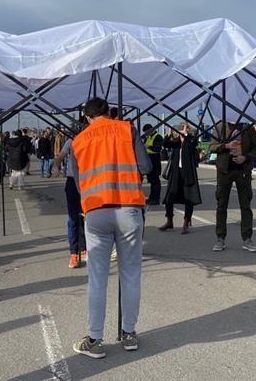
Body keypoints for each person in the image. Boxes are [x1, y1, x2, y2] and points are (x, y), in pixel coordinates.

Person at [70, 98, 151, 359]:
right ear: (109, 113)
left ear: (87, 118)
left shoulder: (79, 140)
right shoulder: (128, 129)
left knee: (97, 278)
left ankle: (94, 339)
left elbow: (78, 182)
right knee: (130, 273)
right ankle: (128, 333)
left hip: (96, 211)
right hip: (128, 208)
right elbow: (146, 167)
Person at [209, 120, 256, 252]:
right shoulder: (220, 126)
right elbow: (212, 146)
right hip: (224, 171)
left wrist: (246, 157)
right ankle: (220, 238)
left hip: (243, 171)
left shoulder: (248, 127)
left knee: (245, 206)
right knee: (221, 205)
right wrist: (225, 146)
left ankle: (247, 239)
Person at [52, 126, 87, 269]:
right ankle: (74, 253)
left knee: (88, 217)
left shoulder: (92, 139)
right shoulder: (71, 141)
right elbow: (60, 156)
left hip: (89, 181)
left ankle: (85, 249)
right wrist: (56, 166)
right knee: (73, 218)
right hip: (73, 182)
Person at [158, 123, 202, 234]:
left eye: (183, 128)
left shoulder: (191, 139)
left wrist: (185, 135)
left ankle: (186, 222)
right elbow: (165, 144)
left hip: (188, 172)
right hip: (176, 172)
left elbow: (192, 144)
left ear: (188, 130)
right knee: (169, 197)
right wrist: (169, 134)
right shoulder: (176, 141)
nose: (180, 131)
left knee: (189, 198)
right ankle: (169, 220)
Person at [142, 124, 163, 205]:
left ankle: (156, 199)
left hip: (155, 160)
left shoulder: (158, 137)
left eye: (146, 132)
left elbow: (157, 148)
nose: (146, 134)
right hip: (149, 160)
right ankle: (151, 198)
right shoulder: (148, 138)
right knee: (151, 180)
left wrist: (148, 146)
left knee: (155, 181)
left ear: (150, 130)